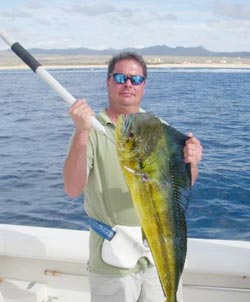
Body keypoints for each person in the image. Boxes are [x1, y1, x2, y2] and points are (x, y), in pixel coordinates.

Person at [62, 51, 203, 302]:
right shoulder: (91, 129)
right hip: (113, 258)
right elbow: (72, 189)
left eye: (135, 79)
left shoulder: (157, 128)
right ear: (108, 82)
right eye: (120, 77)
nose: (128, 84)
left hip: (159, 250)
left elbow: (185, 183)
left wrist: (193, 163)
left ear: (144, 85)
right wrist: (82, 133)